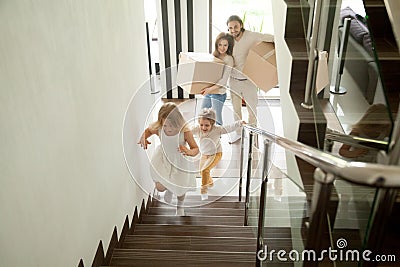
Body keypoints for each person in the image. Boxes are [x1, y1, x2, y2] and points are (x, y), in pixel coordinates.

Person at [138, 102, 199, 216]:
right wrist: (144, 137)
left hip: (180, 162)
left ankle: (179, 207)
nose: (168, 129)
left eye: (171, 126)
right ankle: (170, 189)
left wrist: (189, 152)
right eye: (165, 125)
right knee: (160, 187)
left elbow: (195, 148)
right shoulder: (159, 129)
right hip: (164, 160)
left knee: (181, 188)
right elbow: (149, 130)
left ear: (178, 122)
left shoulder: (185, 132)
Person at [226, 15, 274, 142]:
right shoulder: (228, 39)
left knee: (252, 110)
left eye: (235, 27)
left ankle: (253, 133)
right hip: (233, 81)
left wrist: (281, 40)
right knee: (236, 110)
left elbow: (266, 37)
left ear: (241, 25)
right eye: (230, 28)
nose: (233, 30)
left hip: (249, 81)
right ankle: (238, 133)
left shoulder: (251, 36)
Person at [188, 108, 245, 200]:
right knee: (201, 172)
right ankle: (209, 182)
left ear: (212, 123)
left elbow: (229, 128)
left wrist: (239, 123)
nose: (203, 128)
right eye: (201, 125)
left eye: (207, 125)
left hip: (216, 153)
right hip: (204, 155)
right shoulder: (198, 129)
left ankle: (204, 190)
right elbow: (187, 131)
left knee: (205, 170)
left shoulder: (217, 129)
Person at [200, 32, 235, 126]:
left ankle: (217, 138)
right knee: (202, 114)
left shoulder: (229, 59)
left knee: (216, 118)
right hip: (209, 91)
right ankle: (205, 136)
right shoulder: (214, 56)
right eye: (220, 44)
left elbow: (223, 81)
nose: (222, 48)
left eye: (225, 45)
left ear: (229, 46)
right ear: (216, 45)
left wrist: (209, 89)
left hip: (218, 93)